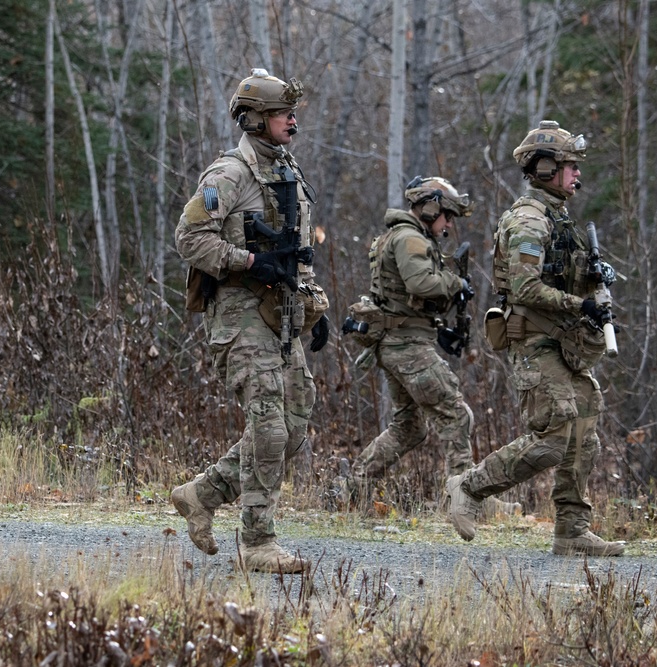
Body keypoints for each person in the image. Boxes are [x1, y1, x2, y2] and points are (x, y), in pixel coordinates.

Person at [172, 68, 330, 573]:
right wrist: (247, 262)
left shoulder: (287, 171)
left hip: (283, 314)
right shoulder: (229, 174)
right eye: (283, 113)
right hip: (240, 316)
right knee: (269, 429)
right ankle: (257, 541)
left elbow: (296, 252)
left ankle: (202, 493)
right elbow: (189, 238)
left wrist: (315, 304)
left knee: (296, 423)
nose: (292, 121)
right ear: (255, 119)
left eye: (292, 112)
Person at [446, 120, 625, 556]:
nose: (577, 175)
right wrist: (578, 305)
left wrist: (594, 280)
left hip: (566, 342)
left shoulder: (559, 219)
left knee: (584, 433)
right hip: (535, 340)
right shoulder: (528, 220)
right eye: (569, 166)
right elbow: (526, 289)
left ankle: (571, 531)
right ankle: (468, 488)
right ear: (545, 169)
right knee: (551, 438)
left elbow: (562, 275)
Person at [335, 176, 494, 512]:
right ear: (430, 207)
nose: (448, 223)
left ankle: (352, 489)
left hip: (398, 343)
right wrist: (456, 283)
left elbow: (408, 298)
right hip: (407, 347)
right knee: (456, 415)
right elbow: (421, 283)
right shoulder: (408, 238)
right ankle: (466, 499)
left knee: (409, 427)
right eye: (446, 215)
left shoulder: (403, 236)